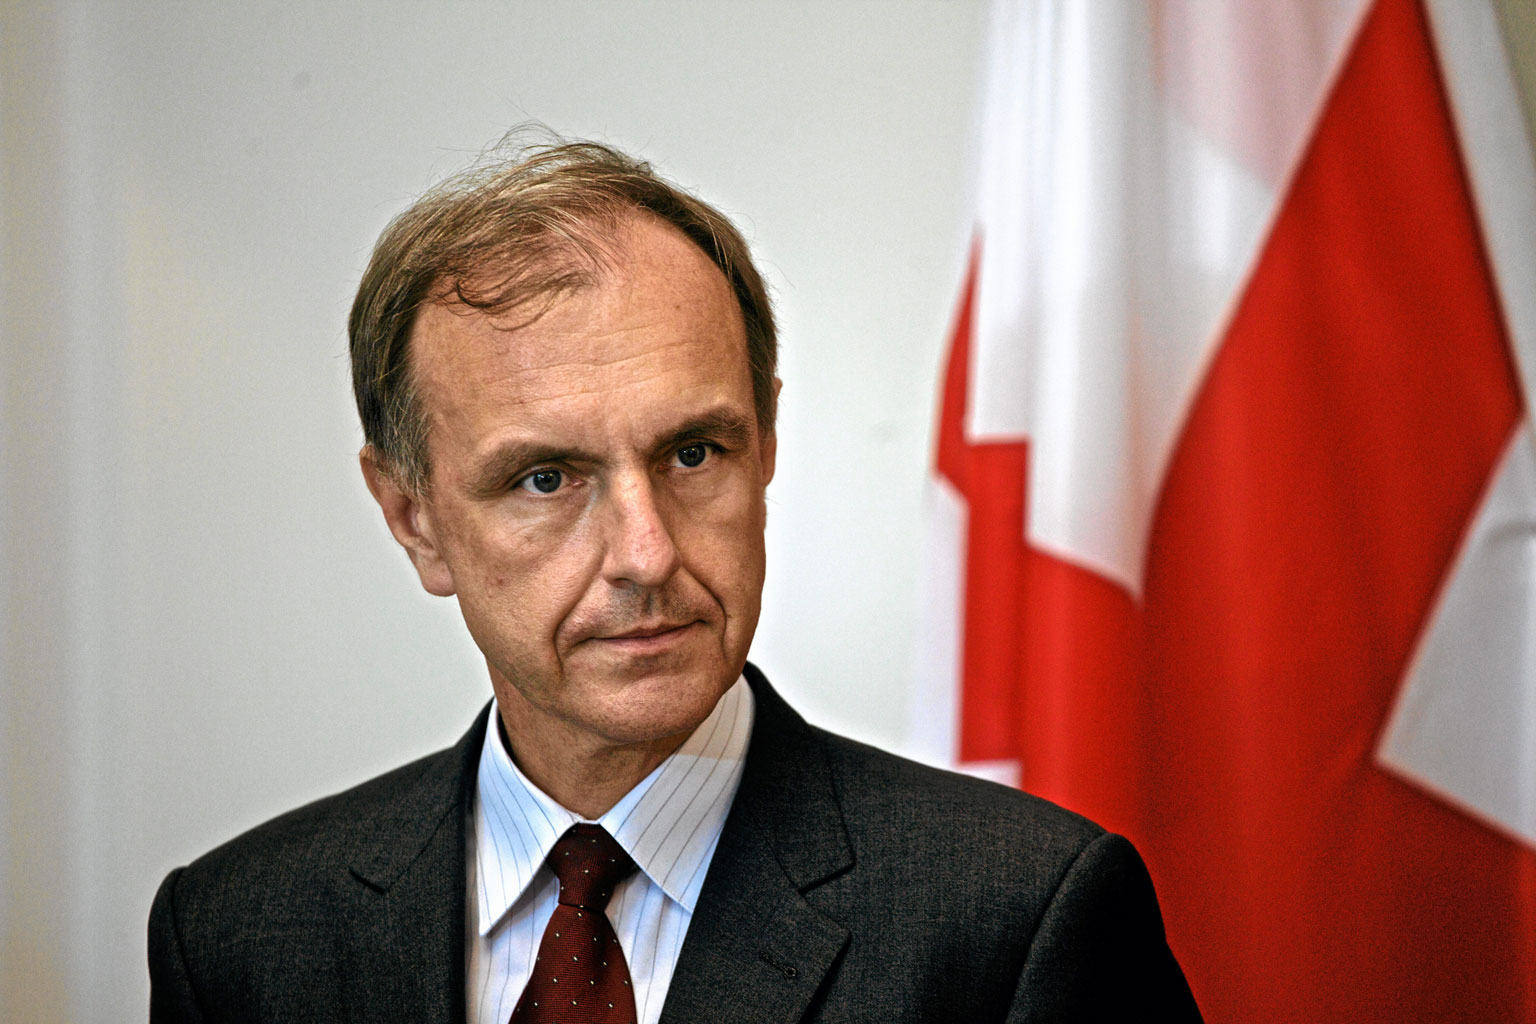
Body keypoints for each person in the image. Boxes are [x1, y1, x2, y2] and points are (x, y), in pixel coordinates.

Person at [147, 138, 1201, 1023]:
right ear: (413, 518)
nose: (647, 554)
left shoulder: (1018, 918)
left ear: (767, 445)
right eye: (546, 477)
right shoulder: (238, 935)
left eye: (694, 453)